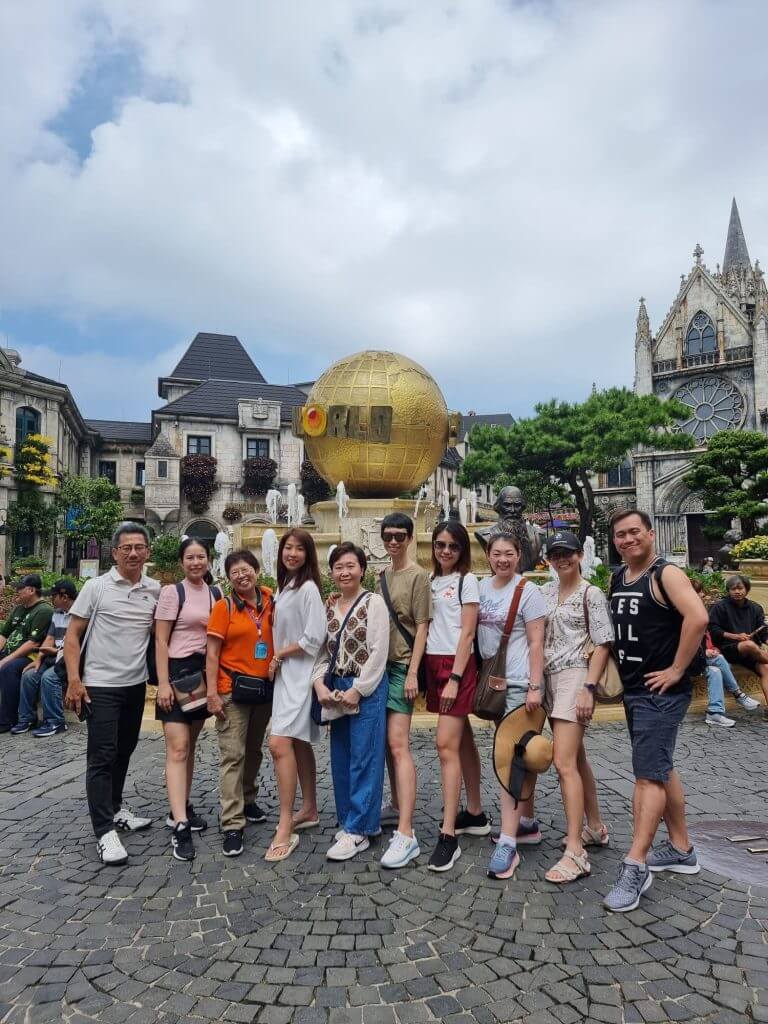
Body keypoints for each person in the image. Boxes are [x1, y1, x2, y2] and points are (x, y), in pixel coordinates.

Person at [603, 510, 708, 914]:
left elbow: (698, 617)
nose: (628, 539)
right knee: (661, 767)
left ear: (650, 534)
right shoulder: (619, 577)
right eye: (620, 535)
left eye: (634, 532)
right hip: (635, 689)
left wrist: (677, 669)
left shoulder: (665, 573)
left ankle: (636, 863)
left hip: (659, 693)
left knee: (647, 776)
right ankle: (681, 848)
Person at [63, 523, 160, 866]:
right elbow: (72, 636)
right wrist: (75, 680)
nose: (133, 553)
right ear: (115, 552)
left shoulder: (154, 589)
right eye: (126, 548)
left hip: (135, 685)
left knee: (124, 749)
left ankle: (116, 808)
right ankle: (104, 831)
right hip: (100, 685)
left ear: (148, 551)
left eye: (139, 547)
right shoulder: (97, 587)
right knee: (102, 756)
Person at [541, 531, 613, 884]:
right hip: (549, 679)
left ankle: (575, 851)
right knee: (577, 757)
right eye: (556, 554)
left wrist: (589, 688)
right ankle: (595, 827)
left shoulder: (591, 593)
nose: (562, 559)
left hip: (575, 675)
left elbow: (603, 643)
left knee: (563, 762)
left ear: (580, 555)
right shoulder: (544, 591)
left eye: (568, 552)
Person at [313, 543, 390, 861]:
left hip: (365, 688)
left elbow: (379, 651)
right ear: (331, 572)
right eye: (338, 567)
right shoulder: (328, 607)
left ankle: (359, 830)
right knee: (341, 756)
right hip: (336, 688)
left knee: (365, 757)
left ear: (362, 569)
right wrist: (319, 685)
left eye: (350, 566)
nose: (344, 572)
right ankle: (349, 820)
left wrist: (359, 690)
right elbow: (322, 653)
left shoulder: (374, 603)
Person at [477, 532, 546, 880]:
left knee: (509, 760)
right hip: (495, 684)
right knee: (519, 757)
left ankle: (508, 842)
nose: (502, 559)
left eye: (509, 553)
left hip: (520, 684)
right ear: (488, 556)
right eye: (496, 554)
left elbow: (536, 642)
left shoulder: (528, 591)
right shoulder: (481, 587)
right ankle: (526, 823)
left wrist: (535, 686)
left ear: (519, 555)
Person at [423, 521, 486, 872]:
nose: (446, 551)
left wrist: (455, 679)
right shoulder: (431, 580)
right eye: (440, 544)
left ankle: (448, 834)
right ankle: (475, 813)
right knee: (463, 741)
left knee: (445, 745)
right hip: (433, 663)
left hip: (455, 665)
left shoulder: (467, 581)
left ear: (462, 550)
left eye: (453, 546)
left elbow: (467, 634)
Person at [155, 538, 221, 862]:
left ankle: (180, 806)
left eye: (201, 557)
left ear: (209, 560)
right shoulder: (172, 592)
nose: (196, 562)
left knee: (190, 746)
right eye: (190, 557)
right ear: (182, 562)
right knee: (178, 748)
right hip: (176, 674)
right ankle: (180, 824)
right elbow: (160, 639)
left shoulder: (215, 594)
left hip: (201, 675)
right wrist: (162, 684)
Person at [206, 549, 273, 857]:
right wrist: (212, 693)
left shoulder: (270, 600)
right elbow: (212, 653)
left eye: (246, 569)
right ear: (229, 577)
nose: (242, 575)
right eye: (235, 572)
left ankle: (248, 799)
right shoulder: (225, 607)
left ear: (256, 570)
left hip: (263, 690)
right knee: (233, 755)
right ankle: (232, 823)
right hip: (232, 690)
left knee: (254, 750)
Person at [265, 529, 326, 862]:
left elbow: (315, 637)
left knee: (278, 744)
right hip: (286, 676)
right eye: (287, 547)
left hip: (300, 676)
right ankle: (310, 808)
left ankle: (286, 824)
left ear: (308, 555)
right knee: (298, 742)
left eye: (299, 549)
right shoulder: (285, 586)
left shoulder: (308, 589)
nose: (292, 553)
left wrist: (279, 654)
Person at [376, 512, 431, 869]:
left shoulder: (418, 576)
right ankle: (396, 804)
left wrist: (413, 673)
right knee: (385, 743)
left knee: (398, 745)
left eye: (399, 536)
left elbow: (423, 626)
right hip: (379, 669)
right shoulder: (382, 575)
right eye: (388, 536)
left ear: (410, 538)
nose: (393, 542)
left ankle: (407, 832)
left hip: (401, 668)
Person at [12, 578, 77, 737]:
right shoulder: (57, 613)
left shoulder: (79, 614)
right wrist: (38, 659)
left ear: (64, 597)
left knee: (49, 678)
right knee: (29, 675)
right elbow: (50, 638)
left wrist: (54, 651)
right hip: (53, 656)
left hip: (70, 659)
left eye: (53, 596)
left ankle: (56, 722)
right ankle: (27, 719)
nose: (50, 599)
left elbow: (77, 645)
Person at [690, 579, 760, 726]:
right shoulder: (680, 613)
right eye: (699, 592)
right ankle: (738, 695)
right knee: (720, 659)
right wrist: (703, 652)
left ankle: (714, 713)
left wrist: (709, 649)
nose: (703, 594)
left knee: (715, 671)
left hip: (697, 658)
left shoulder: (696, 610)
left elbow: (704, 637)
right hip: (681, 660)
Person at [708, 574, 768, 720]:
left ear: (746, 589)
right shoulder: (719, 607)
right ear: (728, 591)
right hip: (727, 649)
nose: (737, 591)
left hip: (751, 653)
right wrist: (735, 637)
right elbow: (713, 630)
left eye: (740, 588)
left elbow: (763, 632)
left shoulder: (755, 608)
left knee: (765, 668)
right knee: (748, 644)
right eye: (733, 589)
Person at [0, 574, 53, 732]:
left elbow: (33, 643)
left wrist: (4, 660)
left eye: (20, 588)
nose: (16, 591)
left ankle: (8, 720)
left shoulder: (44, 610)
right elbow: (4, 634)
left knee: (8, 669)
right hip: (11, 653)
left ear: (31, 590)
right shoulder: (19, 608)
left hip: (31, 656)